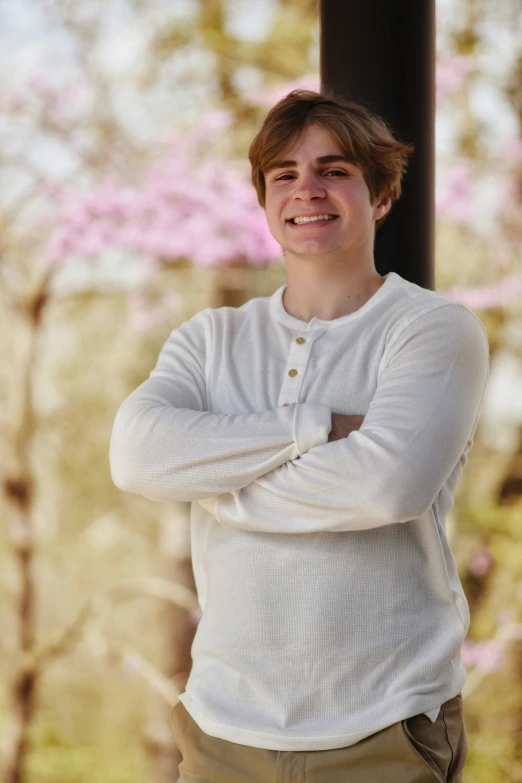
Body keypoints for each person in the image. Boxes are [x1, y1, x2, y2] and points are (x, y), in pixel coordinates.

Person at [110, 89, 490, 782]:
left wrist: (219, 486)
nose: (306, 189)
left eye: (334, 169)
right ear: (264, 202)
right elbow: (135, 454)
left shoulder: (432, 330)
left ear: (380, 196)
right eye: (283, 174)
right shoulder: (209, 339)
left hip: (384, 726)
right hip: (222, 727)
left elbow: (384, 486)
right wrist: (316, 426)